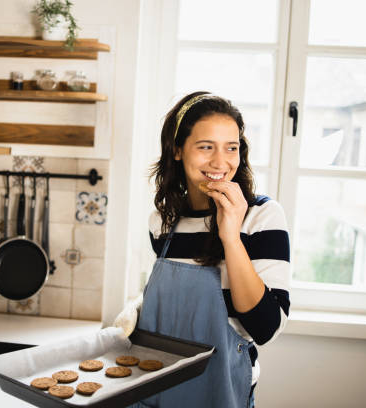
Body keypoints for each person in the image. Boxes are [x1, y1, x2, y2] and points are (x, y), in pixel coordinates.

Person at [114, 92, 291, 408]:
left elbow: (266, 329)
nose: (220, 162)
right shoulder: (163, 223)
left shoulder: (261, 217)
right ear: (178, 150)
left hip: (219, 395)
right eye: (206, 147)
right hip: (152, 391)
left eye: (231, 148)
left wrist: (231, 237)